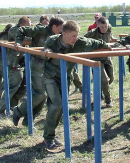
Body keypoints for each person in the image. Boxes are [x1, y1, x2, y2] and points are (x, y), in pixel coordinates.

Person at [42, 20, 110, 150]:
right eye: (73, 36)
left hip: (65, 77)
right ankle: (48, 137)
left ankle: (51, 134)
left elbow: (96, 42)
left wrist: (108, 45)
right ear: (64, 33)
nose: (75, 38)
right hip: (50, 77)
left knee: (61, 107)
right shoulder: (53, 40)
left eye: (77, 35)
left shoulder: (80, 42)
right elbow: (46, 48)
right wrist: (47, 51)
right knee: (56, 104)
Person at [12, 16, 64, 127]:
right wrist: (18, 42)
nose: (62, 31)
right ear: (54, 26)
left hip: (48, 66)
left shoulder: (59, 35)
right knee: (40, 94)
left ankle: (28, 120)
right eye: (60, 28)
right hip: (37, 64)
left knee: (43, 95)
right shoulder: (40, 30)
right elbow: (21, 30)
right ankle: (19, 111)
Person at [0, 16, 31, 117]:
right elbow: (24, 39)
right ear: (22, 24)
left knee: (25, 85)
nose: (30, 27)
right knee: (12, 85)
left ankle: (12, 105)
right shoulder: (15, 30)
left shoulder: (23, 30)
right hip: (13, 63)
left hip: (21, 61)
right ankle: (0, 111)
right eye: (28, 25)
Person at [84, 16, 116, 107]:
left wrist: (113, 40)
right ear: (97, 25)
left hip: (106, 58)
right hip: (97, 60)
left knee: (111, 78)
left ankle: (100, 92)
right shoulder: (92, 34)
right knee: (104, 80)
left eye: (106, 26)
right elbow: (82, 40)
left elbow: (110, 34)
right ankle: (108, 101)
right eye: (102, 27)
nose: (104, 29)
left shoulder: (109, 28)